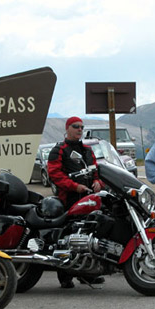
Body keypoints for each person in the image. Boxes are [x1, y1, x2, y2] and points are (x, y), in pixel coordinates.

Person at [47, 116, 104, 288]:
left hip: (90, 199)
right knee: (66, 236)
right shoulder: (58, 150)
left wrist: (98, 183)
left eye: (81, 126)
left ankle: (88, 273)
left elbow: (96, 171)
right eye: (75, 126)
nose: (79, 129)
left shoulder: (88, 150)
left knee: (91, 233)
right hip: (69, 199)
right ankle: (65, 276)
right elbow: (55, 175)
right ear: (67, 128)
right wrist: (74, 186)